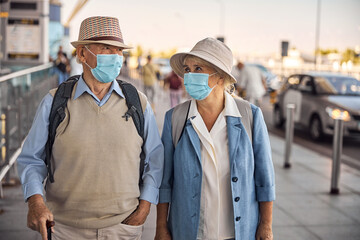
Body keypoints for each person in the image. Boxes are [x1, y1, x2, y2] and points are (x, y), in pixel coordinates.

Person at [17, 16, 164, 240]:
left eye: (119, 51)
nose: (116, 57)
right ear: (82, 54)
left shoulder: (138, 102)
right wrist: (35, 202)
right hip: (63, 230)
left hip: (123, 228)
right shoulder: (55, 101)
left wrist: (144, 209)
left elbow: (155, 159)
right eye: (106, 48)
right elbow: (31, 159)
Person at [155, 38, 275, 240]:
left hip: (238, 233)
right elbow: (165, 182)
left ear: (220, 77)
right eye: (187, 69)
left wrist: (266, 225)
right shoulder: (175, 118)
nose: (190, 75)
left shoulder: (250, 116)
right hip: (189, 232)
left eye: (198, 68)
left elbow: (265, 178)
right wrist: (161, 228)